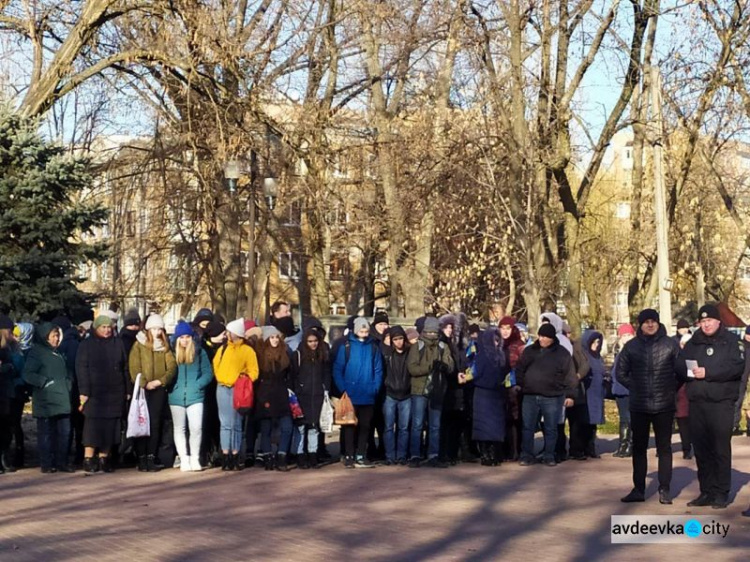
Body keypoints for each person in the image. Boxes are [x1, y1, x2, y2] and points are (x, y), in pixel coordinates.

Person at [676, 304, 745, 509]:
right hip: (697, 403)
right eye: (702, 321)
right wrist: (692, 371)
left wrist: (709, 372)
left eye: (709, 321)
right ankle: (706, 491)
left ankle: (721, 492)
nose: (706, 325)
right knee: (702, 450)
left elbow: (736, 367)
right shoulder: (693, 342)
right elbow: (680, 364)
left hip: (721, 403)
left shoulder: (732, 342)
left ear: (718, 321)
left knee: (720, 449)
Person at [617, 308, 680, 504]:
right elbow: (620, 372)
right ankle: (638, 489)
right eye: (646, 322)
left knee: (664, 449)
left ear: (659, 323)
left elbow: (681, 372)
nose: (650, 325)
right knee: (639, 448)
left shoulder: (671, 345)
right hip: (639, 404)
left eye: (653, 321)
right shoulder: (631, 347)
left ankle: (664, 489)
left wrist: (670, 389)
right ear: (640, 325)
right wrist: (634, 387)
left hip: (664, 405)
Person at [515, 324, 577, 467]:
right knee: (527, 427)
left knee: (551, 428)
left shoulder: (562, 353)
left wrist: (570, 395)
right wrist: (519, 384)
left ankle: (549, 455)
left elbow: (570, 375)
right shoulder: (530, 351)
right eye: (540, 336)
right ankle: (526, 454)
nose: (542, 339)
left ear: (552, 338)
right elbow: (520, 369)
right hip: (530, 395)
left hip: (552, 396)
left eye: (545, 337)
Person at [76, 314, 130, 473]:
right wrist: (84, 391)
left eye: (109, 327)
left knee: (110, 427)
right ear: (96, 328)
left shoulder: (118, 343)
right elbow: (81, 369)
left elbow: (125, 368)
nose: (106, 330)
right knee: (92, 426)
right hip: (94, 392)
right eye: (103, 327)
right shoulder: (86, 345)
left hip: (115, 391)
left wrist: (127, 390)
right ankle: (88, 458)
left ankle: (104, 457)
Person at [129, 313, 177, 472]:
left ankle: (151, 456)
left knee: (155, 424)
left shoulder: (165, 346)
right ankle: (141, 457)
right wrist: (144, 383)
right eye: (154, 328)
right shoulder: (138, 345)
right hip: (142, 390)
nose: (157, 332)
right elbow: (134, 367)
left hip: (158, 389)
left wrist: (160, 381)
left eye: (159, 329)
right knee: (142, 423)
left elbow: (171, 368)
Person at [23, 323, 73, 473]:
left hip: (63, 399)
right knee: (46, 434)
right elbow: (28, 374)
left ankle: (61, 462)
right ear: (45, 337)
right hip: (47, 401)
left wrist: (69, 383)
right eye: (53, 336)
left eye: (57, 336)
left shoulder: (59, 353)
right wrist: (44, 382)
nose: (57, 339)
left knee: (64, 433)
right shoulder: (36, 353)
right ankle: (47, 463)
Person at [333, 317, 383, 468]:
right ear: (355, 330)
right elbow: (337, 369)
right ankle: (349, 454)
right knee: (349, 426)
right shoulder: (346, 346)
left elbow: (378, 369)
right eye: (361, 330)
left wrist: (375, 387)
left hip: (368, 393)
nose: (364, 333)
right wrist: (344, 388)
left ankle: (361, 454)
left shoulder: (373, 347)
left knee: (365, 427)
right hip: (350, 394)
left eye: (366, 330)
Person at [407, 316, 453, 468]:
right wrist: (430, 367)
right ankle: (415, 454)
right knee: (417, 424)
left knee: (435, 425)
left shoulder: (442, 346)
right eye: (429, 332)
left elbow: (450, 365)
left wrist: (444, 366)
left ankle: (433, 454)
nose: (432, 335)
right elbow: (412, 369)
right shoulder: (417, 346)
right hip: (419, 389)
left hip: (437, 389)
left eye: (434, 332)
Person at [213, 318, 259, 471]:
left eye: (229, 332)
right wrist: (220, 377)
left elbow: (254, 371)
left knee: (236, 423)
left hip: (238, 389)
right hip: (222, 388)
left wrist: (244, 379)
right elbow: (216, 364)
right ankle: (225, 454)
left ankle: (236, 453)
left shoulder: (247, 351)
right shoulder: (223, 349)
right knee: (225, 423)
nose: (227, 335)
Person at [168, 321, 213, 472]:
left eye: (187, 336)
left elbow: (208, 372)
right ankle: (184, 458)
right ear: (177, 338)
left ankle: (195, 458)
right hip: (176, 396)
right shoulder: (171, 353)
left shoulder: (200, 352)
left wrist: (198, 385)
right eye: (182, 337)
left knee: (196, 428)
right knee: (179, 429)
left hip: (195, 396)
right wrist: (172, 387)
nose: (185, 340)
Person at [291, 327, 331, 469]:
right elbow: (293, 375)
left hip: (317, 395)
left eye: (315, 341)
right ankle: (301, 454)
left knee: (314, 426)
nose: (313, 344)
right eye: (310, 341)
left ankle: (313, 454)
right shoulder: (298, 355)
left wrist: (325, 389)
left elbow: (326, 373)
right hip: (302, 395)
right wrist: (296, 391)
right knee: (301, 426)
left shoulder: (322, 354)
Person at [255, 326, 293, 472]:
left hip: (282, 393)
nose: (275, 340)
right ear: (266, 339)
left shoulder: (286, 352)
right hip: (265, 393)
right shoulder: (260, 355)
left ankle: (282, 456)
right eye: (272, 337)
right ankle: (268, 457)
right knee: (266, 429)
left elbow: (291, 373)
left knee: (287, 427)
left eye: (277, 337)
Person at [471, 329, 507, 466]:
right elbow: (476, 373)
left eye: (498, 340)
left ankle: (493, 453)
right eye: (494, 340)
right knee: (483, 426)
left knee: (495, 426)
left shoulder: (501, 356)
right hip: (483, 393)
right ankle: (485, 454)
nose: (496, 343)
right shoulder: (481, 356)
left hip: (496, 393)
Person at [439, 314, 468, 465]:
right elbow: (443, 367)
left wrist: (462, 373)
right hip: (446, 388)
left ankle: (451, 453)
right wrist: (455, 376)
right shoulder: (442, 344)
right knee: (445, 423)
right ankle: (444, 453)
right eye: (447, 327)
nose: (450, 330)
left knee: (455, 422)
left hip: (456, 388)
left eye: (452, 327)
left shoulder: (455, 345)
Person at [381, 326, 411, 466]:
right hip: (390, 394)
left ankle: (401, 455)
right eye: (395, 339)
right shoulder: (387, 354)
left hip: (406, 394)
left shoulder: (410, 353)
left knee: (403, 428)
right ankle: (389, 455)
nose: (398, 342)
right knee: (388, 427)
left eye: (400, 339)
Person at [0, 315, 25, 473]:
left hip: (7, 392)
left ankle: (3, 456)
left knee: (6, 427)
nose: (12, 333)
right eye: (10, 329)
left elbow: (17, 366)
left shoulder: (12, 347)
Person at [499, 317, 525, 461]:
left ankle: (516, 450)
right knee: (502, 418)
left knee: (515, 419)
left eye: (508, 328)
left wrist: (519, 383)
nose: (505, 331)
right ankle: (504, 450)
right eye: (502, 328)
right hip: (500, 386)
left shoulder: (519, 345)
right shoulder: (497, 344)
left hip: (515, 387)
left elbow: (523, 366)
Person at [580, 329, 606, 459]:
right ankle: (583, 447)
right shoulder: (584, 356)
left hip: (597, 392)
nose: (596, 344)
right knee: (585, 421)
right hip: (587, 392)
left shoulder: (598, 356)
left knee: (593, 422)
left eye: (598, 342)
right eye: (593, 342)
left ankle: (591, 447)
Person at [611, 324, 635, 458]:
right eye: (624, 335)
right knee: (623, 419)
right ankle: (622, 445)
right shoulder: (620, 351)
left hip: (628, 389)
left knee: (628, 419)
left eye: (628, 335)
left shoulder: (633, 351)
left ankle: (628, 445)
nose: (626, 338)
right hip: (619, 389)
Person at [676, 333, 693, 460]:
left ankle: (691, 447)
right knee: (682, 422)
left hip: (693, 394)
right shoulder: (677, 357)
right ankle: (686, 448)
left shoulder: (695, 357)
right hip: (680, 394)